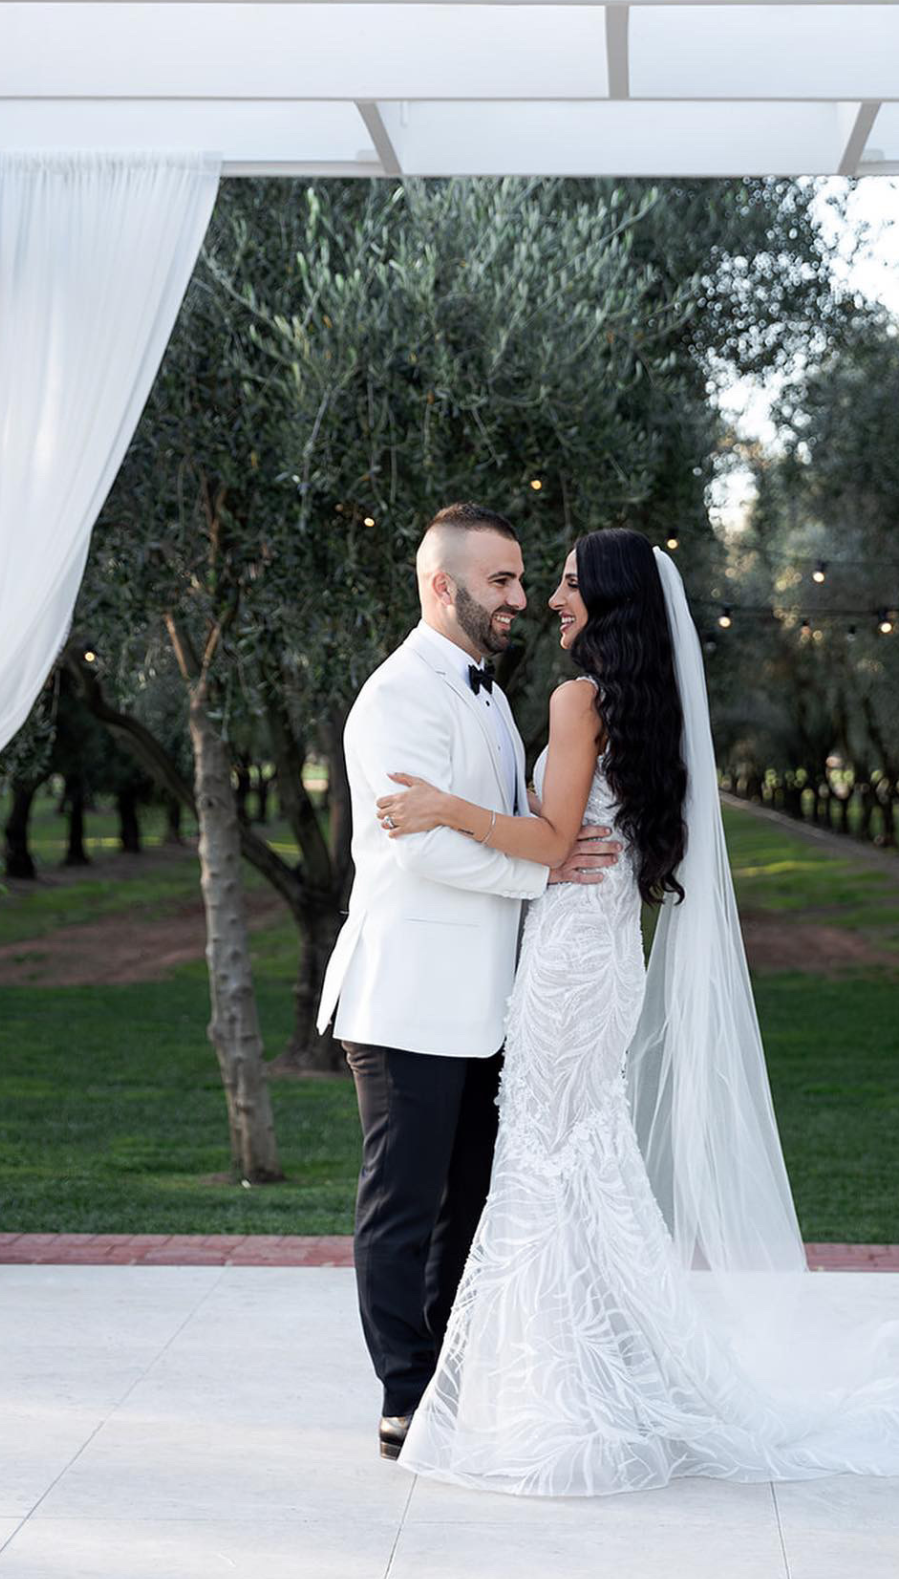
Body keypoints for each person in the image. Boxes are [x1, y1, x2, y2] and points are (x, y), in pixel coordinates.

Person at [374, 527, 899, 1497]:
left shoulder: (577, 699)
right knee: (578, 1152)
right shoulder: (645, 705)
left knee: (548, 1153)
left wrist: (443, 809)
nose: (551, 600)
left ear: (615, 601)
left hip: (568, 957)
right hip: (601, 951)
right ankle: (587, 1369)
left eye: (573, 585)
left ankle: (558, 1388)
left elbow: (548, 840)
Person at [315, 503, 619, 1463]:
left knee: (470, 1200)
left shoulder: (486, 692)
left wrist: (546, 846)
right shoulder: (397, 696)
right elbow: (422, 852)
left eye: (525, 581)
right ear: (442, 587)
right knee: (402, 1206)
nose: (522, 600)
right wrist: (543, 868)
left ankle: (447, 1375)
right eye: (502, 582)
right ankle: (403, 1394)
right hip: (407, 997)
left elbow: (493, 817)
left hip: (486, 1004)